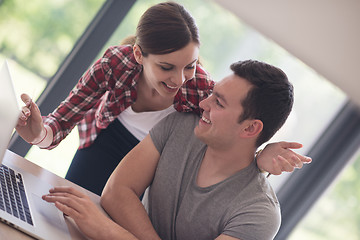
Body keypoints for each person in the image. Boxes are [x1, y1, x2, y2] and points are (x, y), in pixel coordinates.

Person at [17, 1, 310, 195]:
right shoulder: (115, 64)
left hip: (154, 165)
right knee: (65, 210)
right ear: (138, 55)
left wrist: (260, 159)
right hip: (102, 143)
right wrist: (39, 132)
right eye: (166, 67)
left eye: (190, 65)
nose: (180, 79)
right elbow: (61, 121)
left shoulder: (202, 89)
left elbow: (231, 139)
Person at [43, 59, 302, 240]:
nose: (204, 103)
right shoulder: (181, 125)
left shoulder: (259, 214)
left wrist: (109, 232)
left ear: (250, 129)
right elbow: (116, 191)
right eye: (212, 93)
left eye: (219, 103)